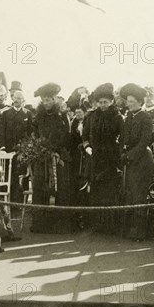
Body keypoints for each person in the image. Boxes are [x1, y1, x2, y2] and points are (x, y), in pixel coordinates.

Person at [30, 82, 74, 234]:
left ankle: (62, 225)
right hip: (42, 157)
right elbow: (35, 134)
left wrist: (55, 151)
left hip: (59, 157)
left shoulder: (62, 116)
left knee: (62, 189)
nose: (46, 102)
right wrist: (40, 148)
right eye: (44, 99)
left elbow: (66, 137)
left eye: (49, 99)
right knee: (40, 188)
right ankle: (40, 224)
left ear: (55, 99)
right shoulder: (38, 117)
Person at [82, 83, 124, 233]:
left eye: (105, 102)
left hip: (111, 160)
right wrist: (87, 148)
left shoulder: (118, 117)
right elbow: (85, 136)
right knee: (96, 192)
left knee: (109, 192)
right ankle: (97, 225)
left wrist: (117, 153)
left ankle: (110, 226)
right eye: (100, 102)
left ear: (111, 101)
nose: (102, 105)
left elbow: (123, 138)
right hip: (94, 159)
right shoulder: (91, 116)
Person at [120, 83, 154, 241]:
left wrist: (131, 155)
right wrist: (122, 153)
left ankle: (141, 232)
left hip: (142, 161)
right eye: (128, 101)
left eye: (132, 101)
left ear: (140, 102)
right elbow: (124, 139)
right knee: (129, 194)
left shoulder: (146, 117)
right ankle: (130, 230)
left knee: (139, 194)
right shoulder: (128, 118)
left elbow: (144, 141)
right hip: (130, 161)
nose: (129, 104)